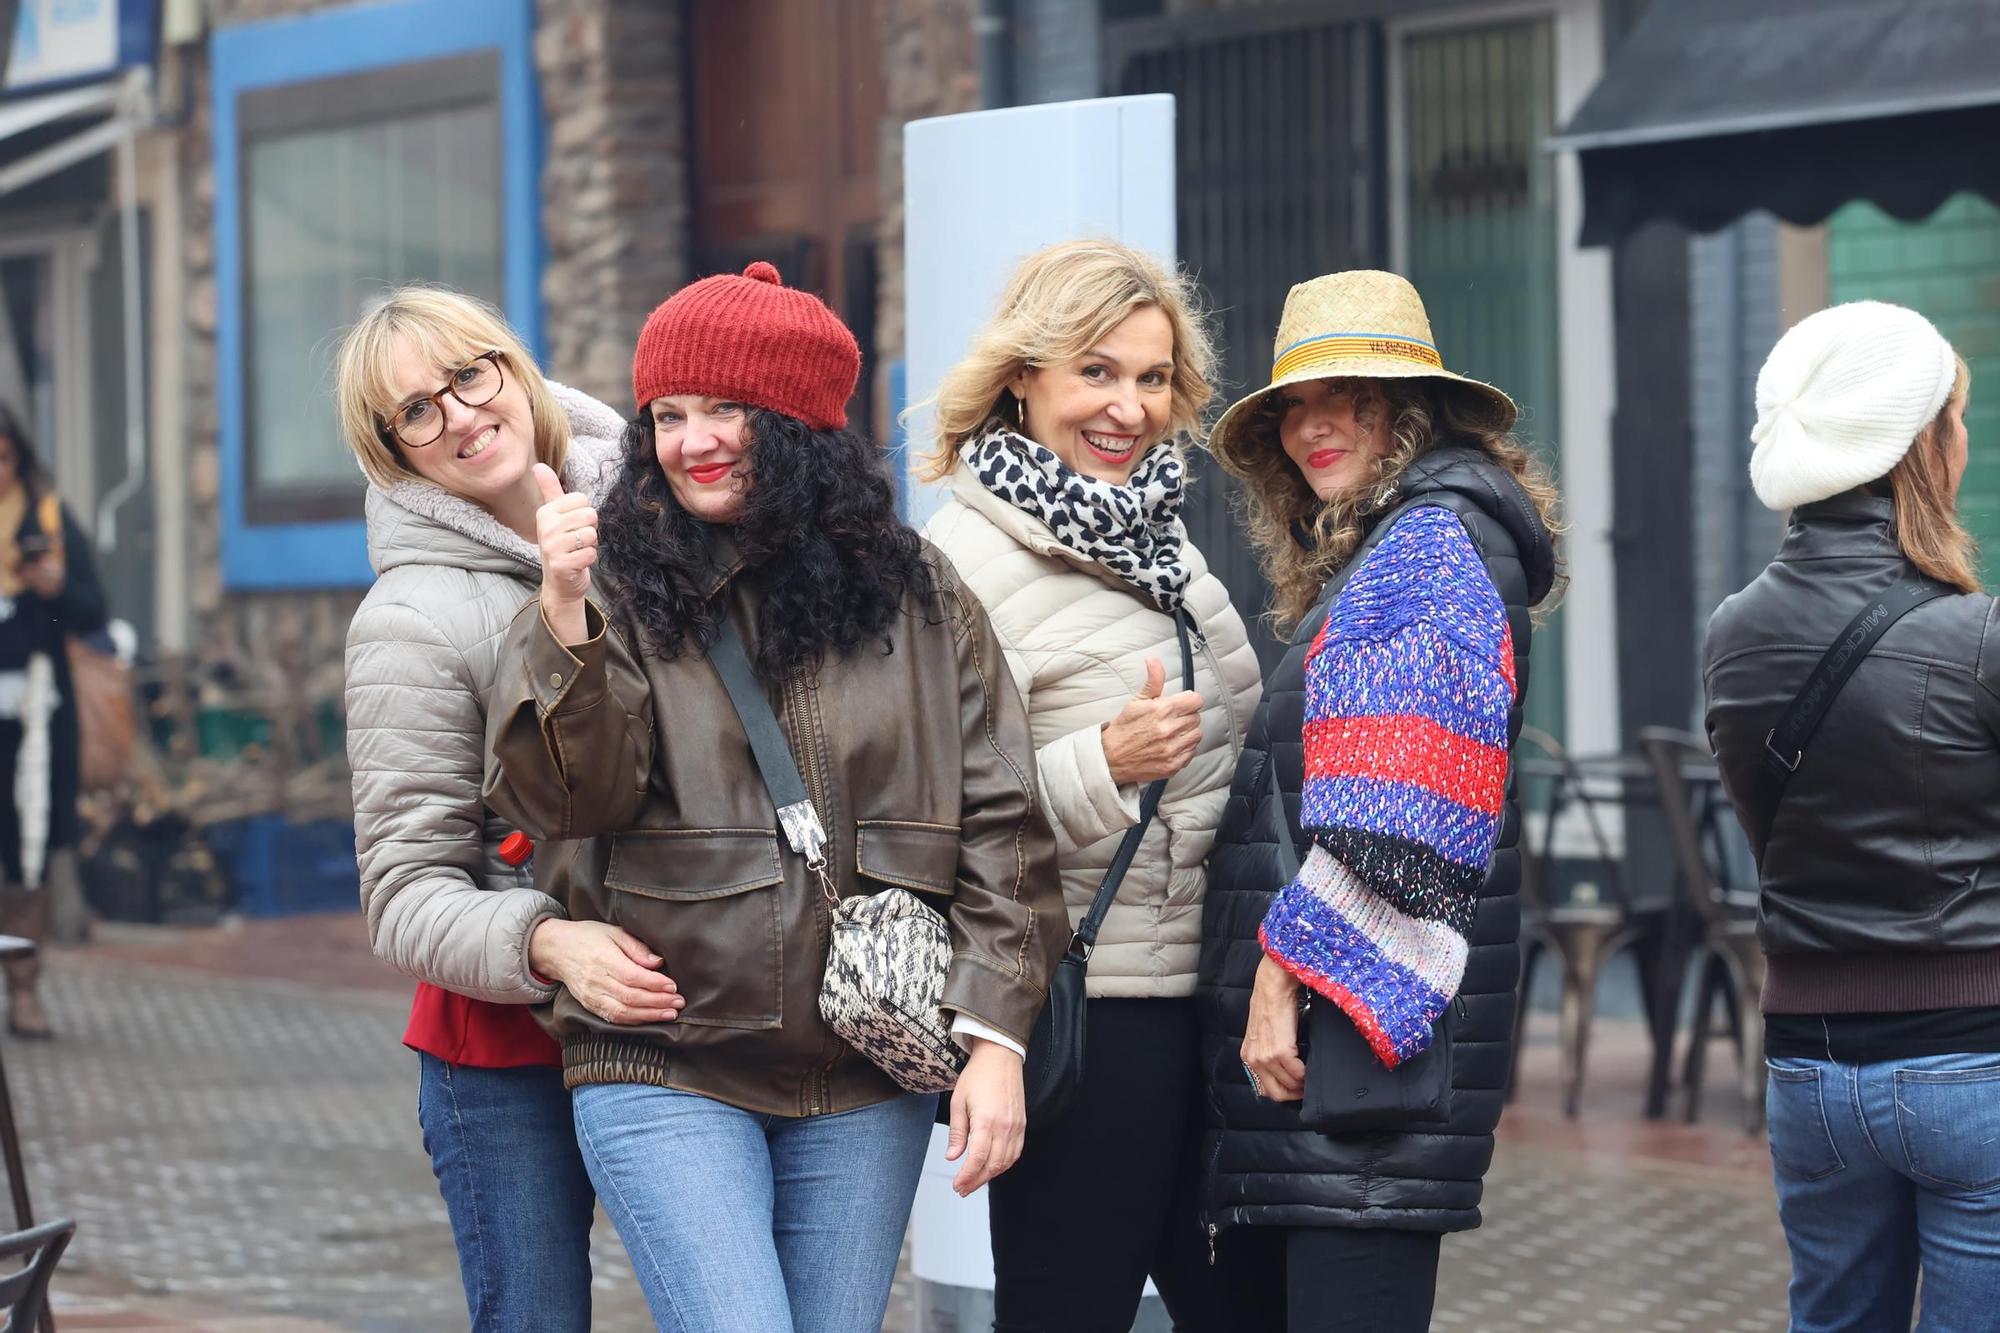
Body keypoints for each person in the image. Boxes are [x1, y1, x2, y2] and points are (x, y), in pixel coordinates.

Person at [483, 261, 1066, 1333]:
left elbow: (1004, 829)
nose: (690, 438)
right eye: (668, 413)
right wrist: (562, 618)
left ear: (798, 422)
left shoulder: (918, 591)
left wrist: (995, 1041)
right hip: (664, 1058)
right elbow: (568, 799)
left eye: (726, 410)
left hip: (862, 1071)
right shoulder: (606, 579)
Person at [1197, 270, 1560, 1332]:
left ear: (1412, 408)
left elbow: (1399, 819)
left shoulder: (1426, 542)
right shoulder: (1407, 541)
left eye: (1346, 395)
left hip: (1349, 1076)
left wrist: (1278, 979)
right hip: (1348, 1084)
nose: (1312, 425)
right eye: (1292, 407)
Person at [917, 237, 1262, 1332]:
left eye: (1152, 378)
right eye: (1096, 372)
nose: (1128, 407)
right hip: (1080, 1016)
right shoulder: (962, 555)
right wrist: (1098, 766)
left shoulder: (1158, 539)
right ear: (1023, 377)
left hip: (1200, 1006)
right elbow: (924, 808)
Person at [336, 288, 667, 1332]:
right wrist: (549, 942)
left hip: (683, 1009)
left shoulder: (661, 524)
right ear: (394, 451)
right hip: (508, 1051)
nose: (459, 414)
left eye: (467, 375)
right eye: (415, 411)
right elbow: (403, 893)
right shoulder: (409, 617)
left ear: (511, 366)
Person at [1704, 302, 1990, 1332]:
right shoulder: (1977, 637)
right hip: (1969, 1061)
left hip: (1808, 1069)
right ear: (1922, 444)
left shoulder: (1728, 636)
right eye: (1956, 418)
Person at [0, 405, 108, 1039]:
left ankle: (24, 988)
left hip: (35, 718)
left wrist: (54, 586)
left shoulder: (47, 519)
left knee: (28, 855)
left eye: (5, 457)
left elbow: (93, 607)